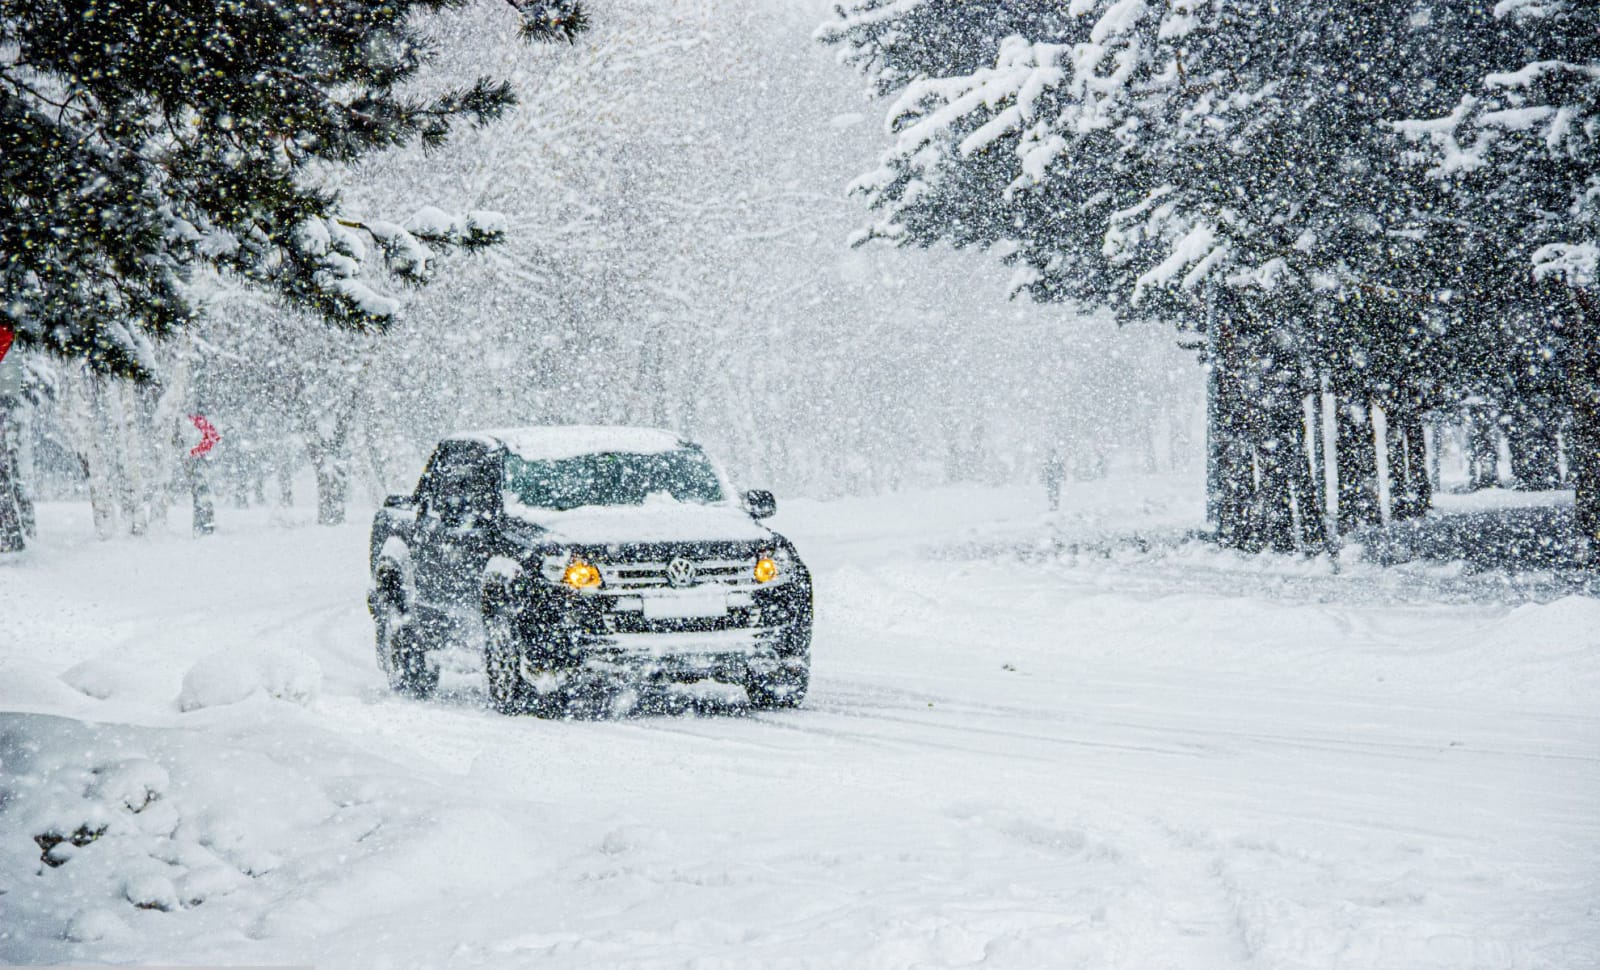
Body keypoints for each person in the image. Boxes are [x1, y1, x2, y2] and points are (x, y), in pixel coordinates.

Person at [1042, 447, 1064, 512]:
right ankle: (1052, 506)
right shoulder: (1049, 461)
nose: (1051, 455)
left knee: (1055, 493)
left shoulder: (1057, 461)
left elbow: (1061, 470)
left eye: (1052, 453)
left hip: (1054, 479)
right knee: (1051, 493)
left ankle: (1055, 506)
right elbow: (1045, 470)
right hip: (1051, 479)